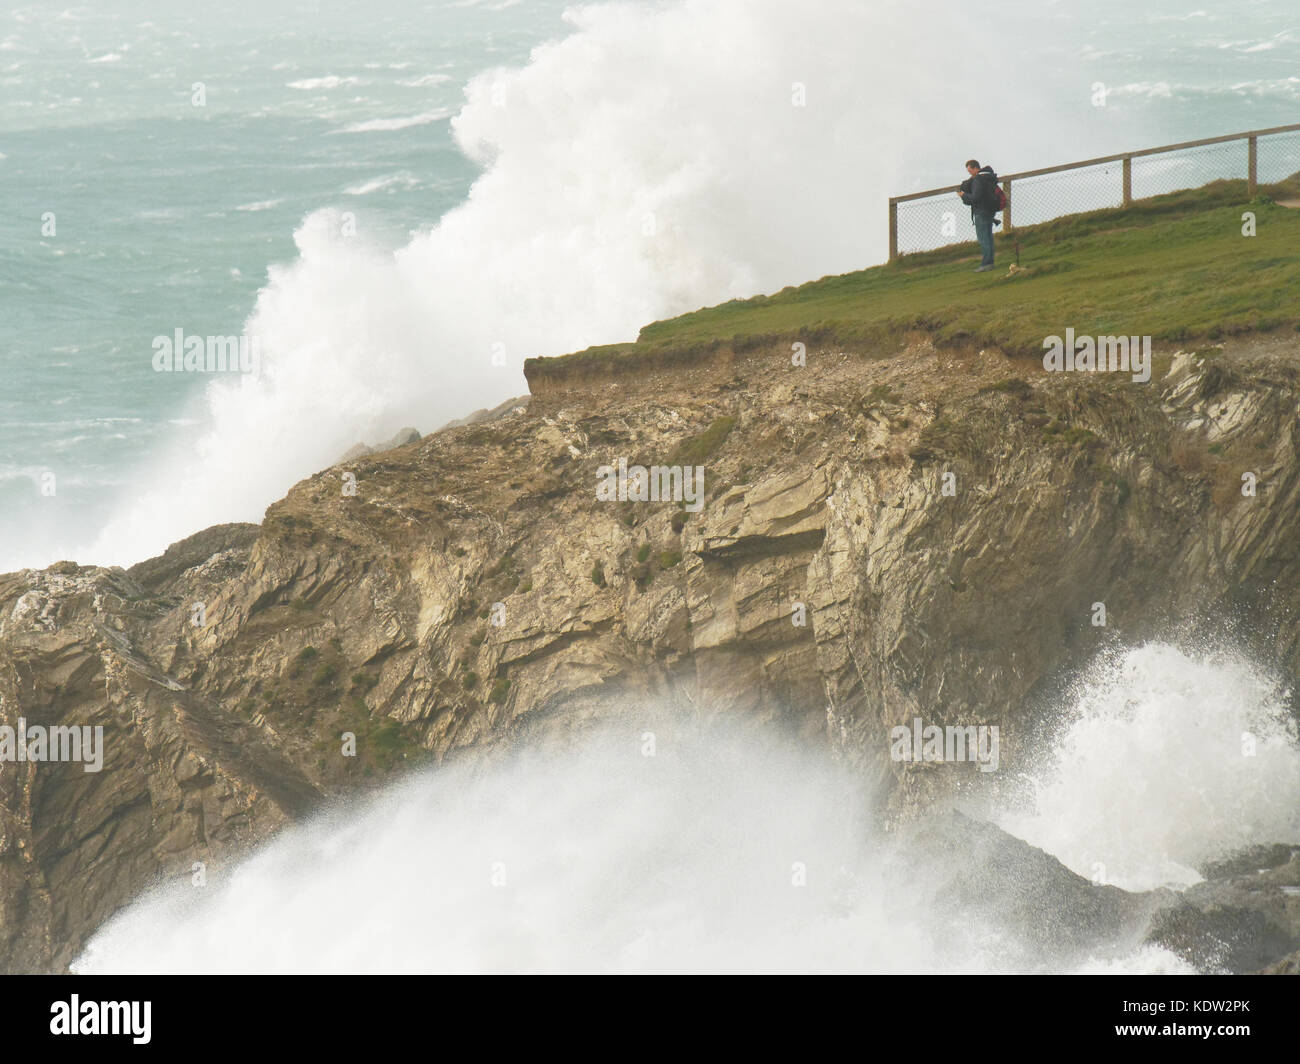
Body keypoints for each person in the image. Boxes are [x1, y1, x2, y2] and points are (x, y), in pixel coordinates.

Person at [959, 159, 999, 272]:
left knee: (983, 238)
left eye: (970, 170)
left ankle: (987, 263)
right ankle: (990, 262)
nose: (970, 173)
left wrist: (964, 196)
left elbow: (975, 198)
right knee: (988, 237)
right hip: (990, 209)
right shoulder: (989, 177)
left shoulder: (978, 180)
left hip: (981, 211)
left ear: (976, 168)